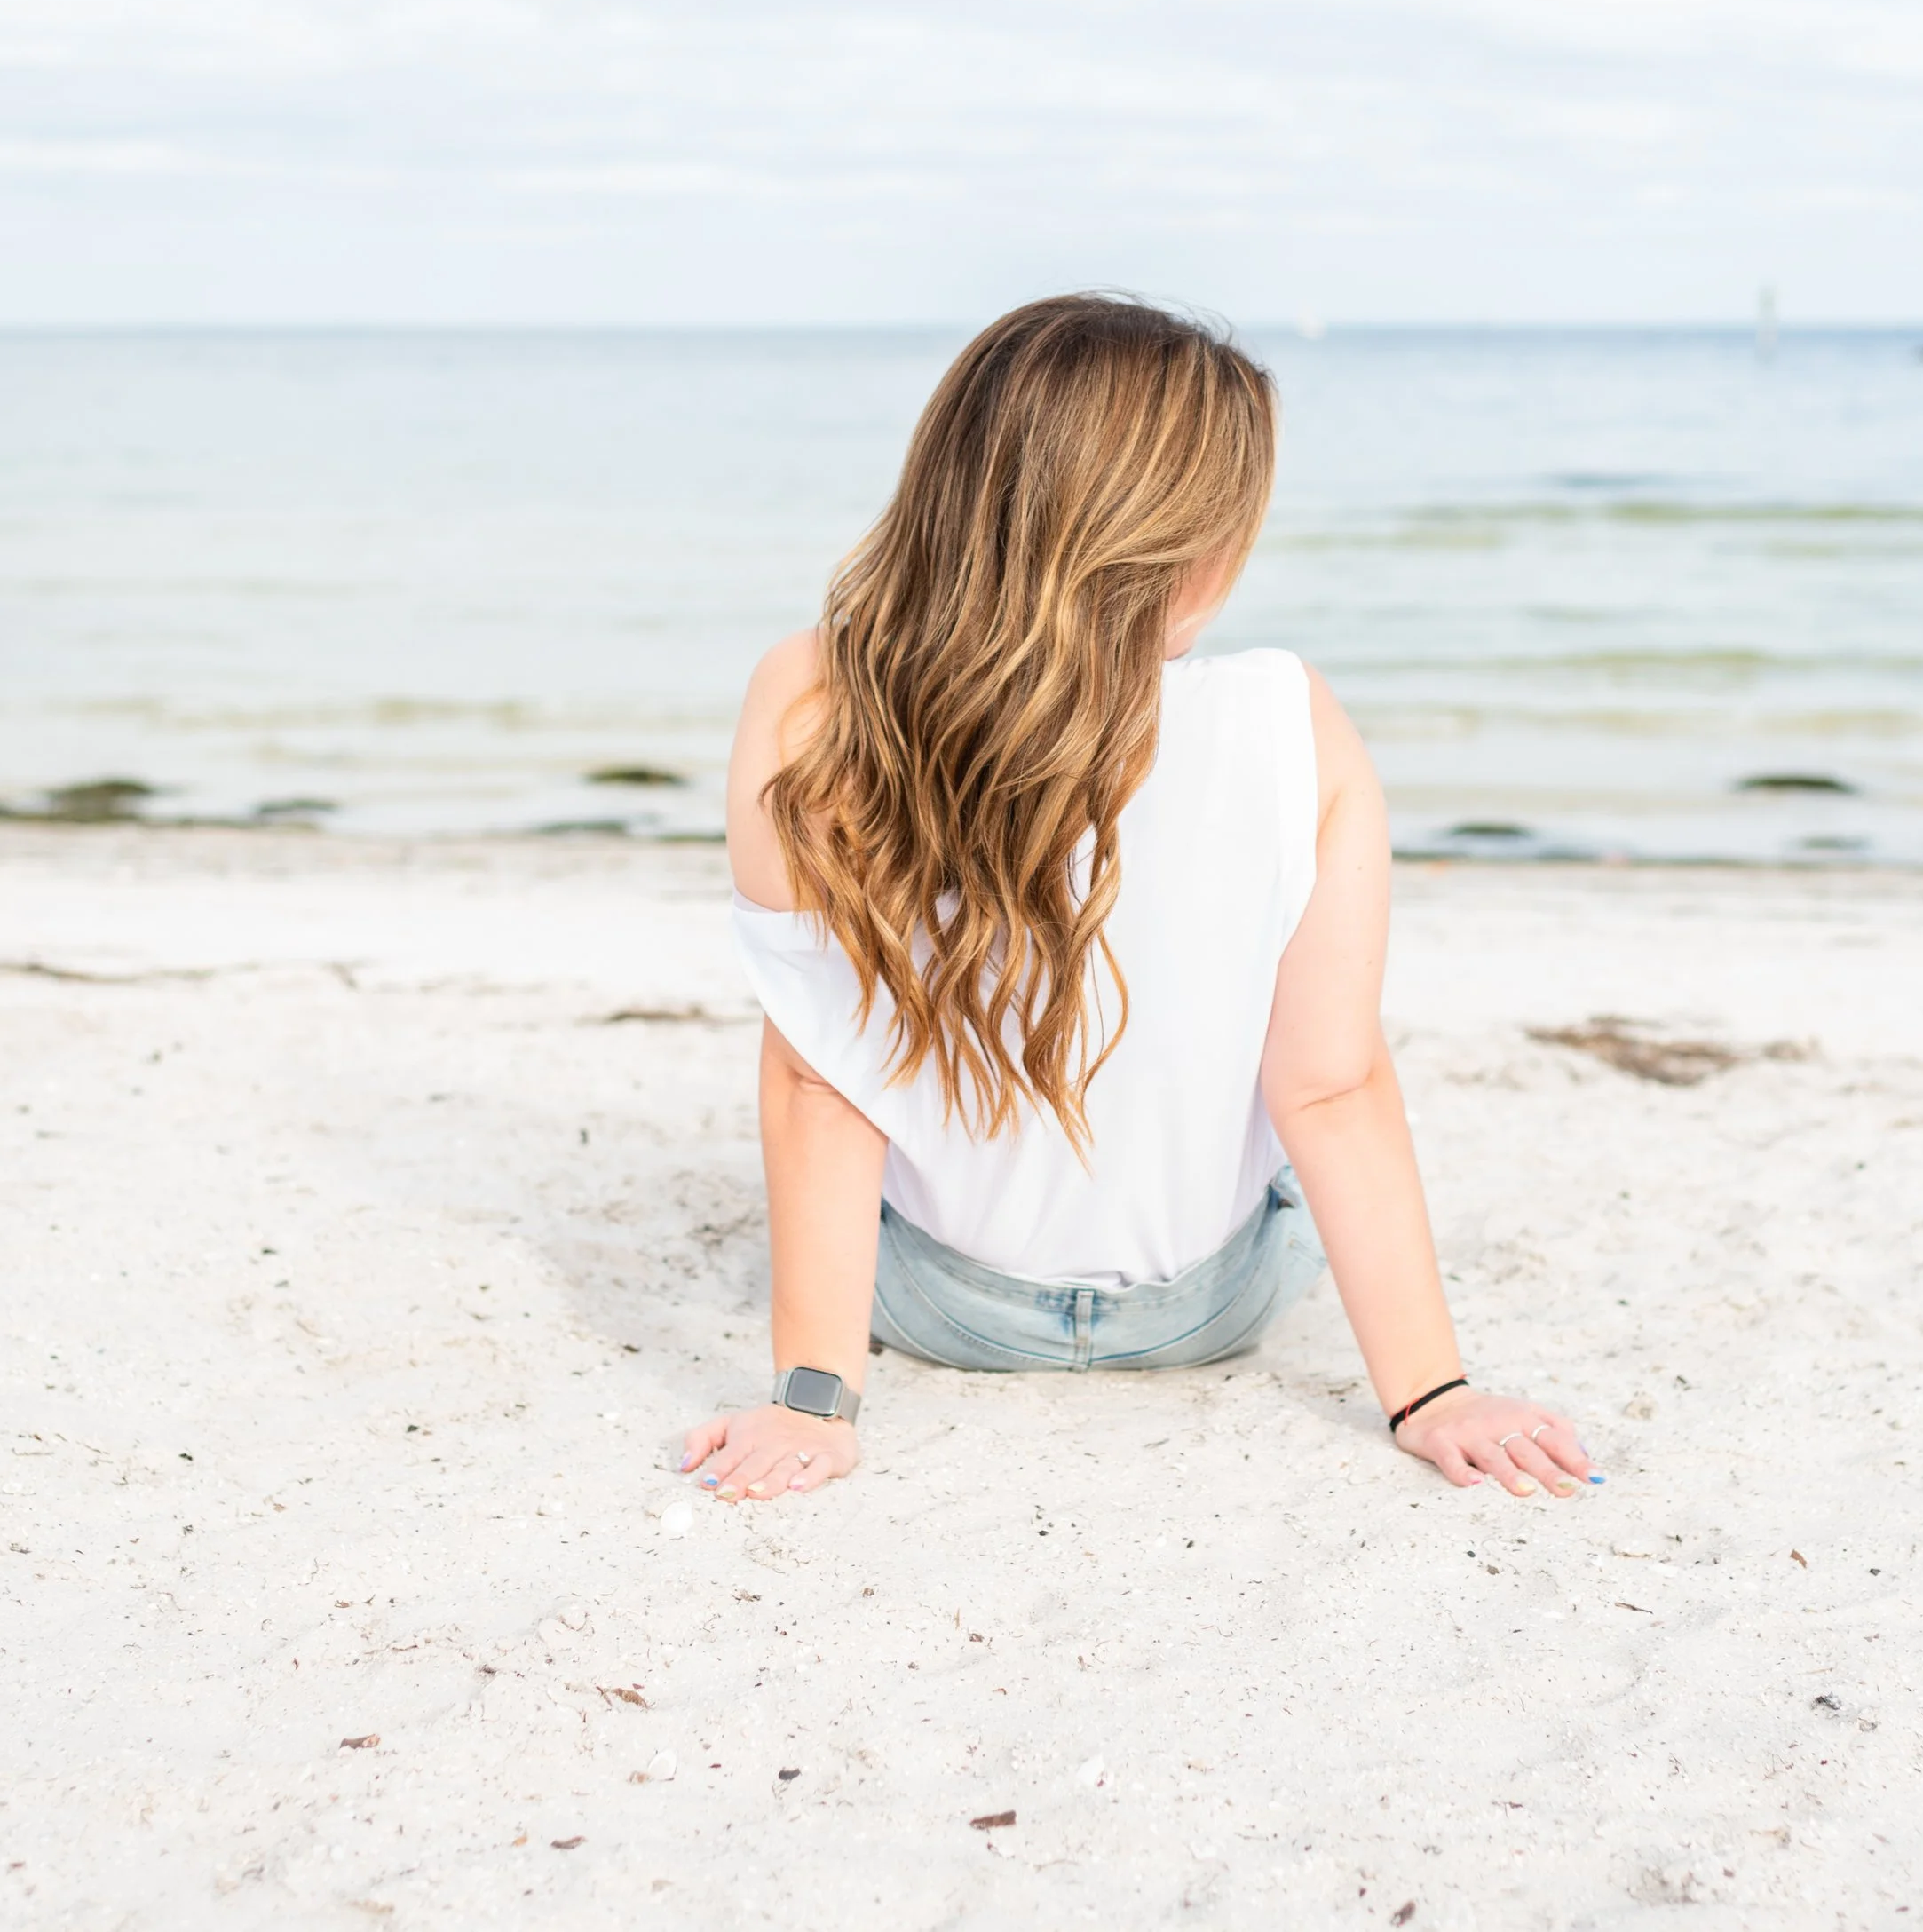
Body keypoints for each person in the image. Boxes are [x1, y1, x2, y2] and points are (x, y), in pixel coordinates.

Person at [678, 295, 1593, 1507]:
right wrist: (1433, 1392)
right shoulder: (1288, 719)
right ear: (1197, 552)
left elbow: (819, 1077)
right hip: (1210, 1308)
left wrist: (814, 1400)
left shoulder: (814, 694)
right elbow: (1328, 1084)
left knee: (831, 1038)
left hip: (944, 1304)